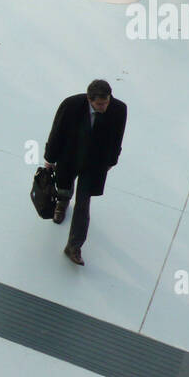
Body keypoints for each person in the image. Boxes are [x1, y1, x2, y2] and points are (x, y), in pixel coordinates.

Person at [43, 79, 127, 265]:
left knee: (83, 204)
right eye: (99, 104)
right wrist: (50, 158)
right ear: (89, 99)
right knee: (63, 186)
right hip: (69, 158)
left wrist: (112, 161)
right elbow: (57, 131)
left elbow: (117, 138)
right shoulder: (71, 105)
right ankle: (62, 203)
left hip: (94, 165)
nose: (104, 107)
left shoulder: (119, 109)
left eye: (106, 102)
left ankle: (74, 246)